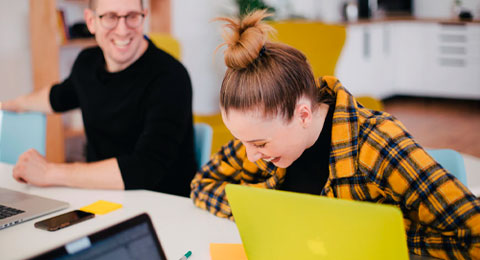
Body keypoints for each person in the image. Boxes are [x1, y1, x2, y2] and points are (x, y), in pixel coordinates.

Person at [190, 10, 480, 258]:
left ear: (302, 114)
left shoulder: (377, 144)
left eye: (259, 144)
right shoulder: (264, 135)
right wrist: (269, 213)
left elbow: (474, 234)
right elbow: (203, 184)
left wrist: (379, 234)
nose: (251, 155)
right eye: (243, 142)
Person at [0, 0, 196, 197]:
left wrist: (50, 172)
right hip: (101, 197)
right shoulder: (87, 63)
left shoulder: (171, 77)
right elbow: (58, 97)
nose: (122, 30)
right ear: (91, 21)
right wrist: (14, 104)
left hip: (162, 205)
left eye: (132, 16)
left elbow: (145, 168)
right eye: (110, 17)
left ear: (143, 17)